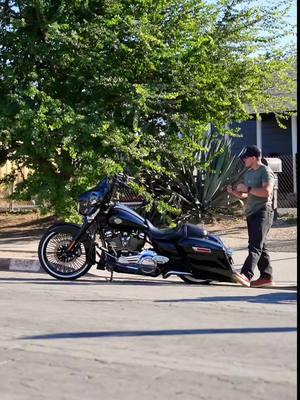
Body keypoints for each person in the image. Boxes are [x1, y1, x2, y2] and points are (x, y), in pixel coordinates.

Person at [227, 145, 275, 288]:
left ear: (254, 158)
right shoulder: (249, 173)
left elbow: (267, 192)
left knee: (255, 246)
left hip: (263, 212)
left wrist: (247, 188)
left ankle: (246, 275)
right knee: (261, 246)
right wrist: (234, 193)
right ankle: (266, 277)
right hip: (251, 212)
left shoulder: (265, 171)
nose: (244, 160)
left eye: (246, 158)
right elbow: (248, 195)